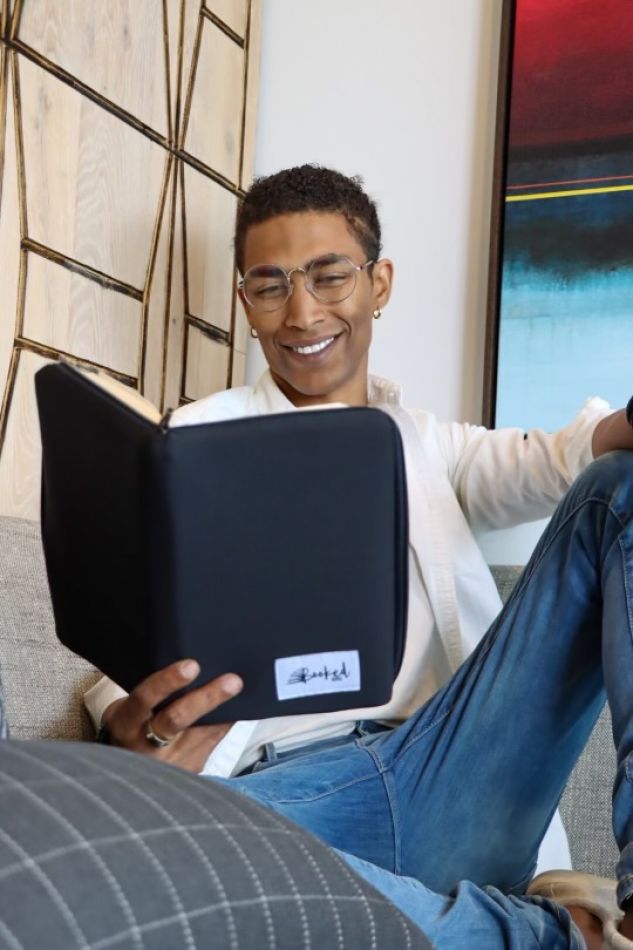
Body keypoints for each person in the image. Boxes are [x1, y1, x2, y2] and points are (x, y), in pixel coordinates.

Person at [86, 164, 633, 948]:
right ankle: (562, 935)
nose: (301, 312)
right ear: (245, 303)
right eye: (269, 285)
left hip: (455, 773)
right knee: (133, 863)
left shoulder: (430, 445)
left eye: (329, 276)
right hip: (284, 798)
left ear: (378, 284)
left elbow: (565, 457)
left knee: (616, 487)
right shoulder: (188, 444)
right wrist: (132, 730)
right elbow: (131, 647)